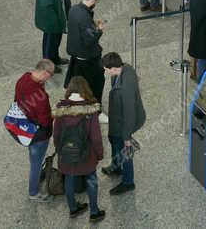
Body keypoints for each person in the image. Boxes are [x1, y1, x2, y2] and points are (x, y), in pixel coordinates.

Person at [51, 77, 106, 223]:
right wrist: (99, 154)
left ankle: (73, 208)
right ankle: (94, 212)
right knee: (92, 180)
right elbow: (96, 137)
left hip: (66, 153)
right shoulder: (90, 110)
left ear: (69, 90)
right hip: (86, 154)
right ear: (85, 89)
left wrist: (59, 149)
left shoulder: (61, 110)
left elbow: (56, 134)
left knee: (69, 179)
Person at [101, 52, 146, 195]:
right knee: (115, 141)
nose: (105, 71)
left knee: (124, 149)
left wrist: (127, 136)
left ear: (113, 68)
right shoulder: (124, 69)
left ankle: (128, 181)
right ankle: (116, 167)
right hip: (117, 117)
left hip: (124, 121)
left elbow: (129, 114)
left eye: (106, 69)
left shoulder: (125, 88)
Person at [14, 59, 55, 201]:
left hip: (24, 127)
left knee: (34, 158)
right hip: (39, 135)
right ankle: (34, 192)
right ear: (44, 73)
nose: (51, 77)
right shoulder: (41, 97)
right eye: (51, 74)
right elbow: (45, 120)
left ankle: (37, 179)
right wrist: (53, 117)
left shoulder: (23, 79)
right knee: (36, 163)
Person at [64, 0, 106, 107]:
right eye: (97, 2)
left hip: (76, 54)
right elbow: (89, 40)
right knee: (97, 82)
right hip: (87, 57)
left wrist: (91, 25)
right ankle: (95, 108)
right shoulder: (84, 16)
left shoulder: (74, 9)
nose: (96, 5)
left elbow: (79, 29)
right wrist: (99, 30)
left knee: (79, 83)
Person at [34, 0, 70, 71]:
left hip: (55, 21)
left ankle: (55, 58)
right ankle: (48, 66)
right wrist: (57, 23)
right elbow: (47, 8)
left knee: (54, 42)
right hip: (52, 23)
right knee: (50, 44)